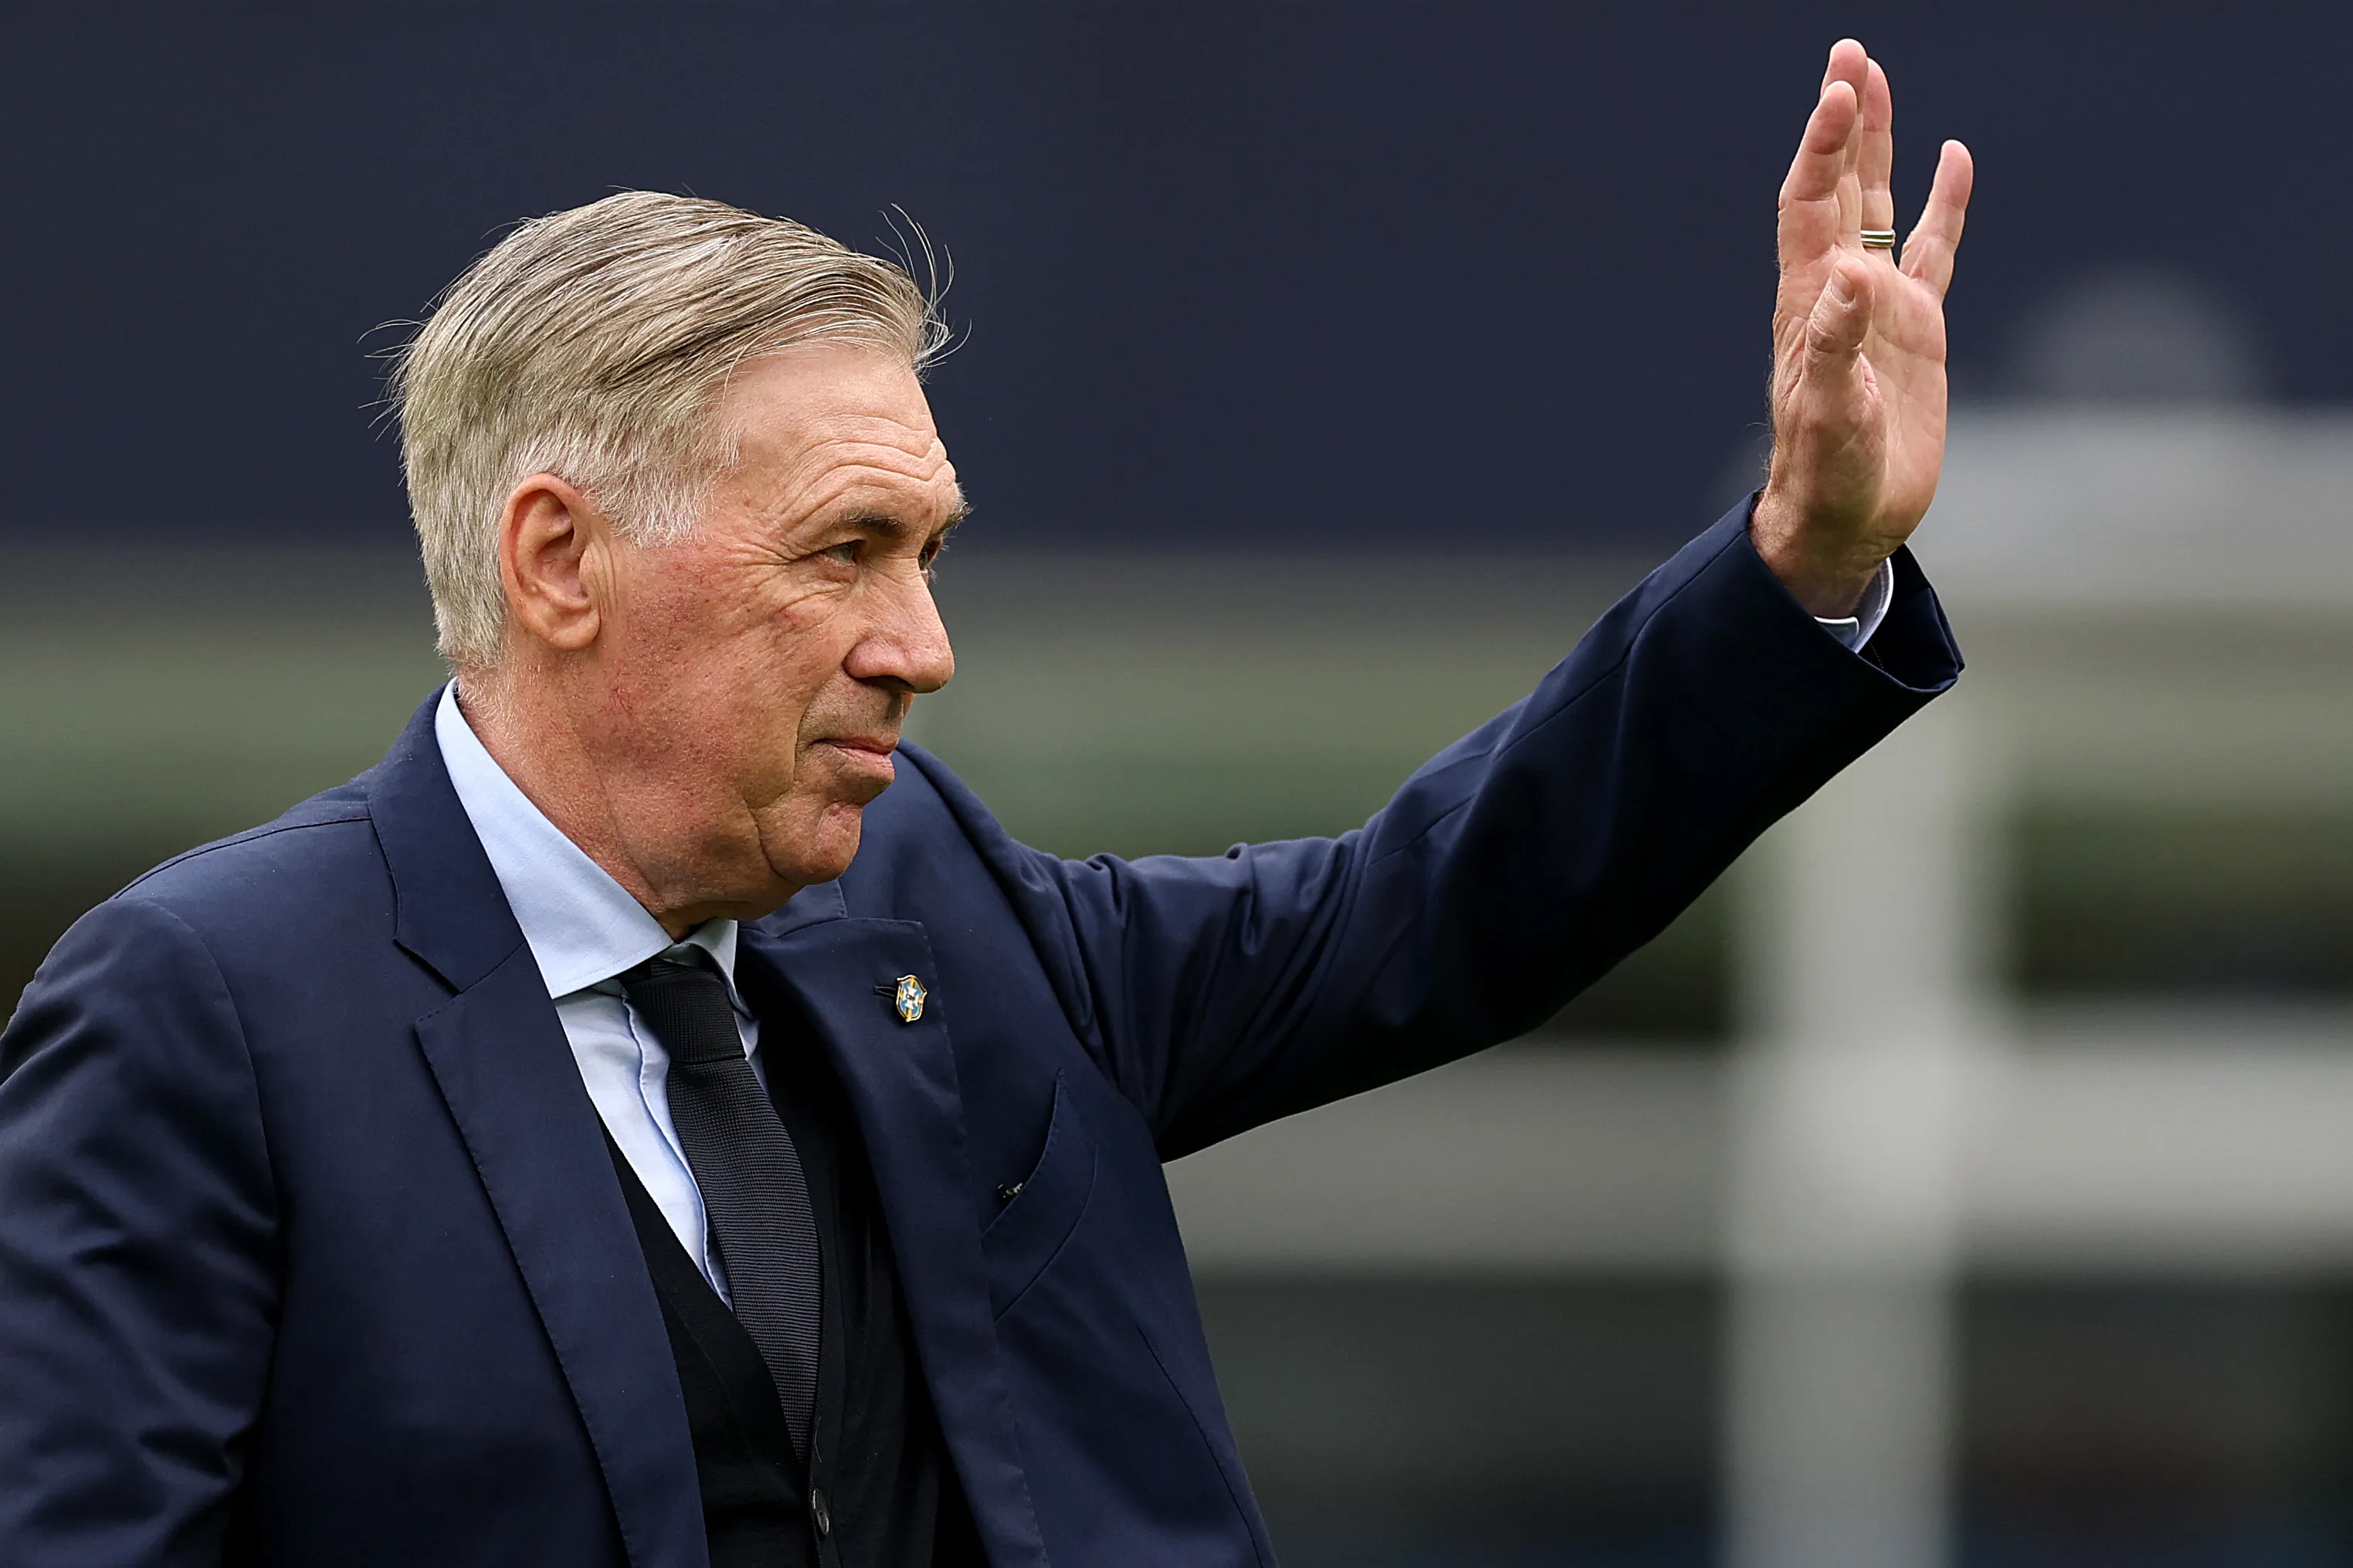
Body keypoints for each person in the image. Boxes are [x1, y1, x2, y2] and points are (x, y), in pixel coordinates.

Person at [0, 37, 1968, 1568]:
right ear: (557, 559)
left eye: (928, 552)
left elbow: (1432, 908)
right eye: (846, 551)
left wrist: (1796, 563)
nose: (921, 645)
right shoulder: (206, 1015)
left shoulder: (931, 897)